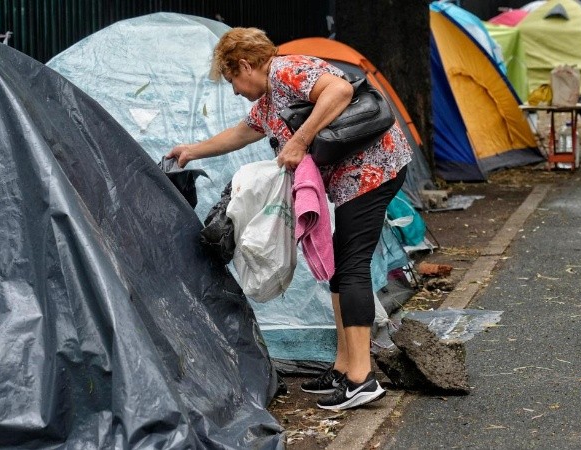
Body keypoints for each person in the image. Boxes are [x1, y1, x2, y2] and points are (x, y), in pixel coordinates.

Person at [166, 27, 413, 410]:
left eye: (232, 79)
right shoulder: (269, 101)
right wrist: (192, 152)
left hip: (374, 168)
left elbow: (340, 91)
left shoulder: (286, 70)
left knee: (351, 266)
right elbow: (242, 133)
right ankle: (344, 367)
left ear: (246, 65)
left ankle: (361, 378)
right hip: (354, 176)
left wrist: (299, 141)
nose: (234, 90)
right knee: (340, 269)